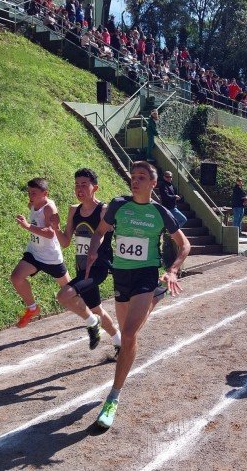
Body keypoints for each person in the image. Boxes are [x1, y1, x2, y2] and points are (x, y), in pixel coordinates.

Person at [85, 161, 191, 429]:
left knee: (129, 335)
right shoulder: (119, 205)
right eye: (133, 176)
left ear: (153, 183)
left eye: (142, 177)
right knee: (126, 333)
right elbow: (99, 232)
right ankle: (157, 295)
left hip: (145, 274)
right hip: (121, 276)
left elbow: (184, 244)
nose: (136, 181)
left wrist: (173, 270)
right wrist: (95, 249)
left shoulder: (160, 212)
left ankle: (113, 397)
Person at [54, 169, 121, 354]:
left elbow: (103, 235)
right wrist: (55, 228)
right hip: (82, 268)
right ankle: (119, 341)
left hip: (98, 268)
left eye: (84, 184)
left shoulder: (104, 210)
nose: (79, 188)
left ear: (95, 187)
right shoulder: (74, 210)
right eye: (77, 184)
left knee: (64, 295)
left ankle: (92, 323)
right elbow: (66, 242)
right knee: (96, 309)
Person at [10, 178, 71, 328]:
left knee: (70, 291)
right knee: (16, 277)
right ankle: (32, 308)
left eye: (34, 193)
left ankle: (92, 311)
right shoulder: (33, 203)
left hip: (51, 258)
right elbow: (32, 206)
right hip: (34, 253)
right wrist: (31, 211)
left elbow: (51, 234)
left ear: (45, 193)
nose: (30, 196)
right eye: (29, 192)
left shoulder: (49, 208)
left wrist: (27, 225)